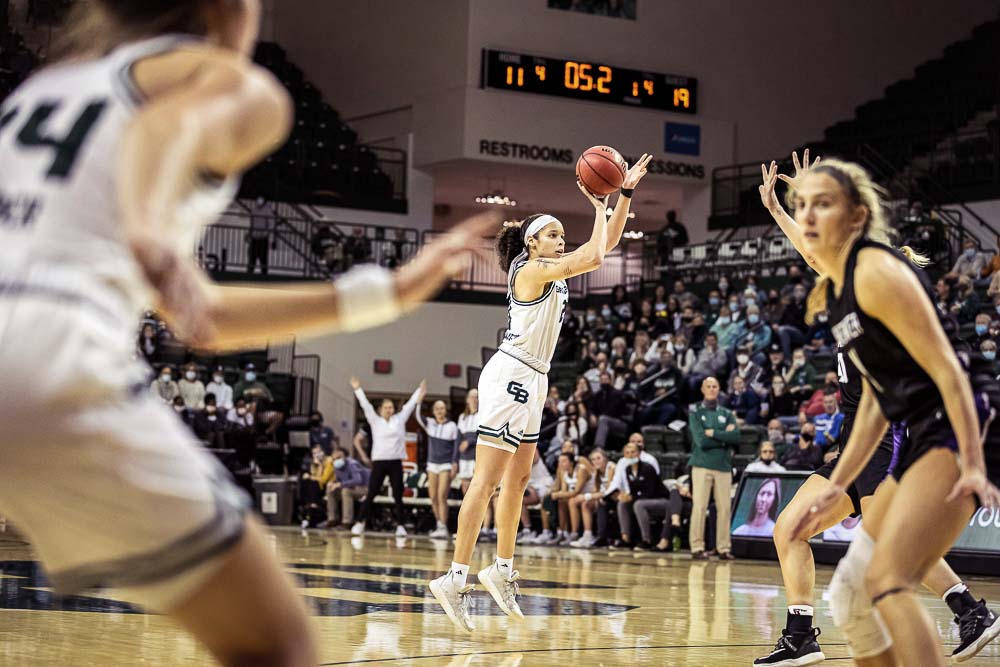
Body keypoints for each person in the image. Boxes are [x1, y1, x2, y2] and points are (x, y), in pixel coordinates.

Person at [0, 0, 498, 662]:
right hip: (48, 349)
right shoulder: (227, 83)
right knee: (279, 644)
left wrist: (393, 291)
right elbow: (168, 125)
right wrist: (147, 223)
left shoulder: (46, 86)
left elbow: (198, 314)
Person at [758, 152, 1000, 666]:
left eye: (822, 205)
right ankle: (967, 611)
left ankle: (968, 612)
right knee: (851, 593)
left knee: (883, 579)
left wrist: (975, 463)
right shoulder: (842, 286)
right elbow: (871, 399)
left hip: (946, 426)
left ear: (857, 219)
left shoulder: (876, 274)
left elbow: (951, 372)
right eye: (804, 207)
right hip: (895, 427)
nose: (807, 219)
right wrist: (839, 480)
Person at [429, 153, 654, 633]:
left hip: (536, 376)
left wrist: (623, 196)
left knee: (518, 482)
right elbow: (595, 253)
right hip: (510, 372)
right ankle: (454, 576)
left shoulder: (552, 267)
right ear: (532, 243)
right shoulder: (529, 271)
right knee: (485, 482)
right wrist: (599, 202)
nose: (560, 239)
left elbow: (606, 244)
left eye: (560, 235)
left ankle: (502, 568)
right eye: (552, 234)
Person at [350, 378, 425, 538]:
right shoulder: (375, 421)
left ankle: (400, 526)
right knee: (372, 493)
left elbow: (410, 405)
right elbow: (365, 405)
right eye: (386, 407)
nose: (389, 410)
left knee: (398, 495)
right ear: (380, 409)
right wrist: (358, 390)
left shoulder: (399, 419)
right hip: (379, 462)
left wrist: (419, 390)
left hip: (395, 462)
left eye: (391, 407)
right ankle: (359, 522)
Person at [688, 376, 738, 560]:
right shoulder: (695, 413)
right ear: (702, 389)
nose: (711, 389)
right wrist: (724, 436)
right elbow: (701, 440)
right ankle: (696, 547)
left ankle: (723, 548)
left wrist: (714, 433)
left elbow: (736, 437)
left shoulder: (727, 413)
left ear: (719, 389)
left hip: (723, 466)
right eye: (708, 386)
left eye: (715, 386)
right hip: (701, 465)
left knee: (724, 508)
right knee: (699, 507)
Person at [613, 441, 675, 551]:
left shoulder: (648, 468)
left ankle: (646, 540)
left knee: (638, 504)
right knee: (622, 503)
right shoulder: (628, 470)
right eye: (627, 453)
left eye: (633, 452)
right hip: (644, 501)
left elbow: (651, 492)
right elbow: (634, 491)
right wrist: (626, 496)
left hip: (662, 500)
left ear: (639, 454)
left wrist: (633, 497)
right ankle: (625, 538)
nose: (630, 455)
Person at [417, 399, 460, 539]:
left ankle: (444, 525)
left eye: (442, 408)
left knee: (442, 496)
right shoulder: (430, 423)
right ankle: (439, 524)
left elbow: (456, 447)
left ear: (445, 410)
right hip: (432, 464)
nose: (439, 411)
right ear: (433, 411)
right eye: (437, 408)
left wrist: (455, 463)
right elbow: (417, 416)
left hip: (445, 464)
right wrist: (418, 402)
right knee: (433, 496)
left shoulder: (452, 426)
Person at [568, 448, 616, 548]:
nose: (596, 461)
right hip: (603, 497)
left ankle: (601, 536)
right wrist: (588, 496)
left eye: (598, 458)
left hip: (615, 497)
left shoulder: (611, 467)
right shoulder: (596, 471)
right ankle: (587, 535)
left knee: (590, 501)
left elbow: (608, 491)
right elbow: (596, 490)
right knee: (585, 503)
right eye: (593, 459)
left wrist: (587, 496)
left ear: (605, 458)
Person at [321, 448, 370, 530]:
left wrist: (341, 484)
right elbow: (339, 480)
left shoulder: (352, 464)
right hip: (350, 487)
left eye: (339, 457)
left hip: (364, 488)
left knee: (346, 491)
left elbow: (358, 480)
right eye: (334, 458)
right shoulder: (336, 466)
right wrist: (333, 483)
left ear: (345, 457)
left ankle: (347, 522)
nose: (336, 460)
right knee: (330, 489)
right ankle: (332, 519)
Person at [456, 388, 479, 494]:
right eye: (472, 396)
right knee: (465, 488)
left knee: (477, 488)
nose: (474, 399)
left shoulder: (483, 415)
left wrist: (469, 441)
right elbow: (458, 440)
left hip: (476, 457)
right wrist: (454, 461)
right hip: (464, 458)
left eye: (476, 397)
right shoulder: (462, 417)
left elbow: (484, 437)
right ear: (467, 400)